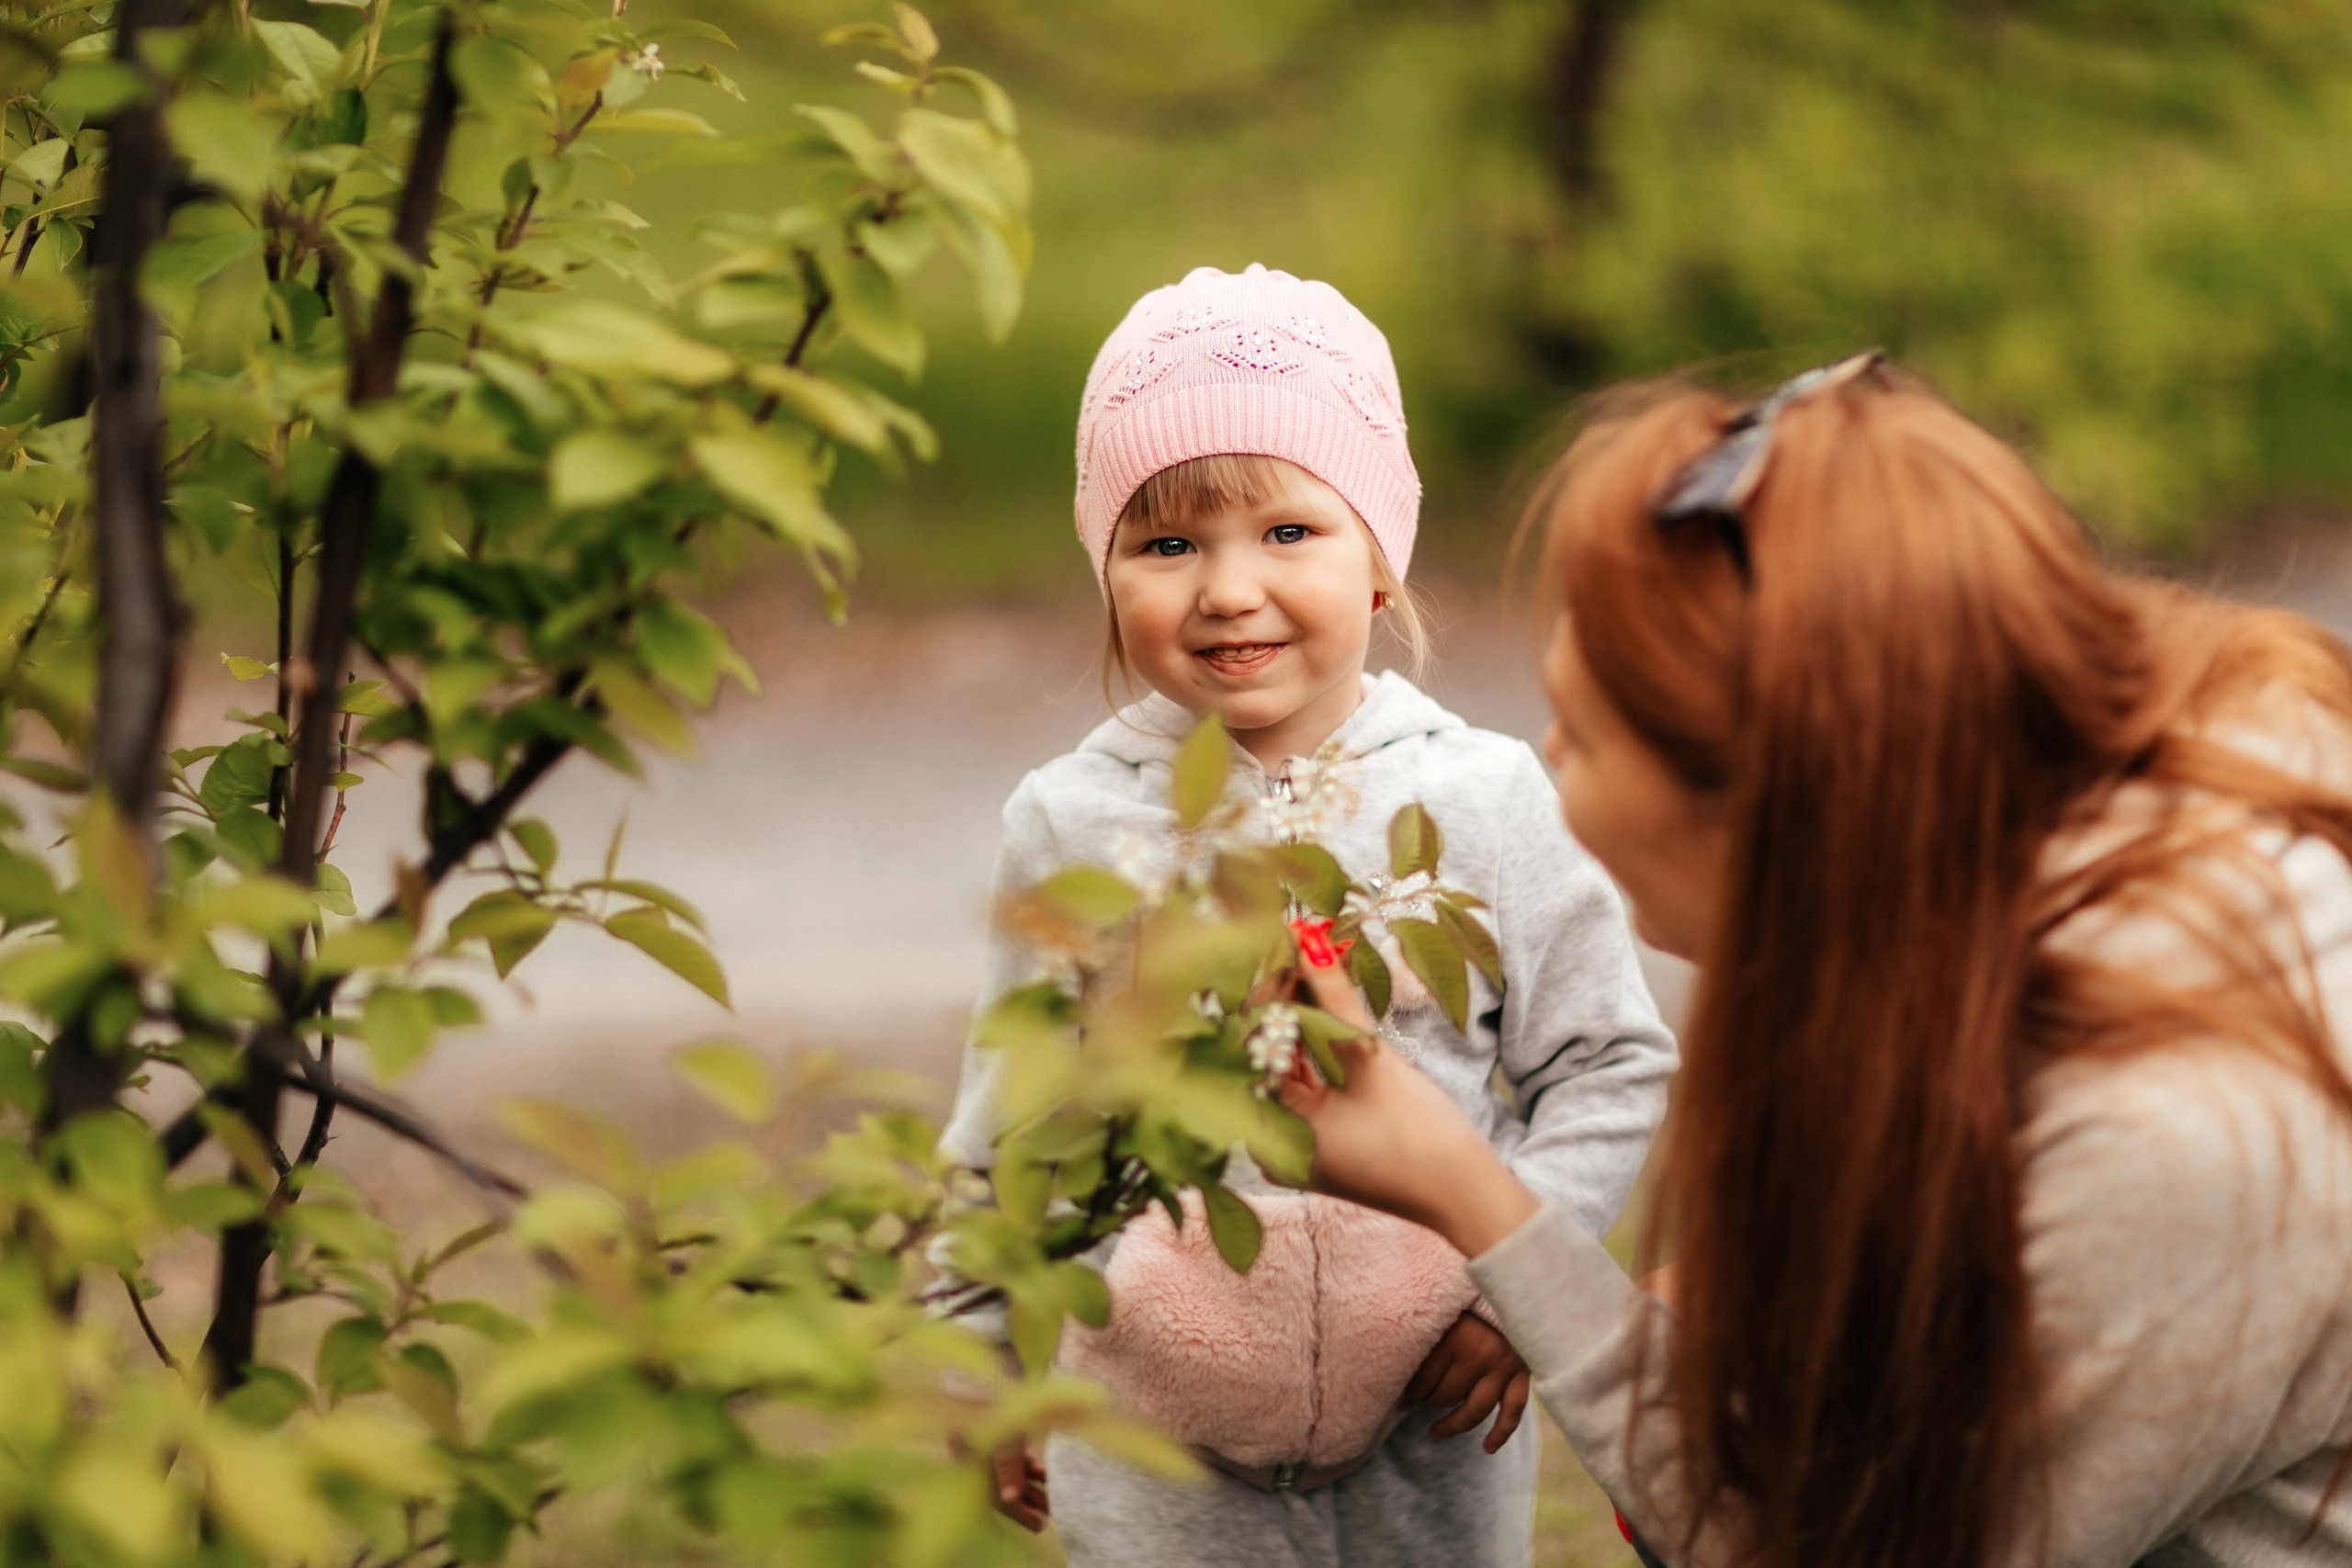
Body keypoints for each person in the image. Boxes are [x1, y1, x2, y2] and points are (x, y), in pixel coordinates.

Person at [1279, 354, 2352, 1568]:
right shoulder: (2111, 766)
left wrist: (1474, 1196)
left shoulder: (2165, 1138)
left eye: (1590, 726)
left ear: (1783, 793)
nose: (1547, 752)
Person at [936, 263, 1678, 1568]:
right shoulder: (1070, 822)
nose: (1227, 589)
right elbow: (1011, 1113)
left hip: (1424, 1430)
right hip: (1155, 1438)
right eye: (1167, 544)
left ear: (1381, 559)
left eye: (1288, 532)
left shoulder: (1484, 796)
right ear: (1107, 572)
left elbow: (1607, 1061)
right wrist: (982, 1349)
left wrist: (1521, 1290)